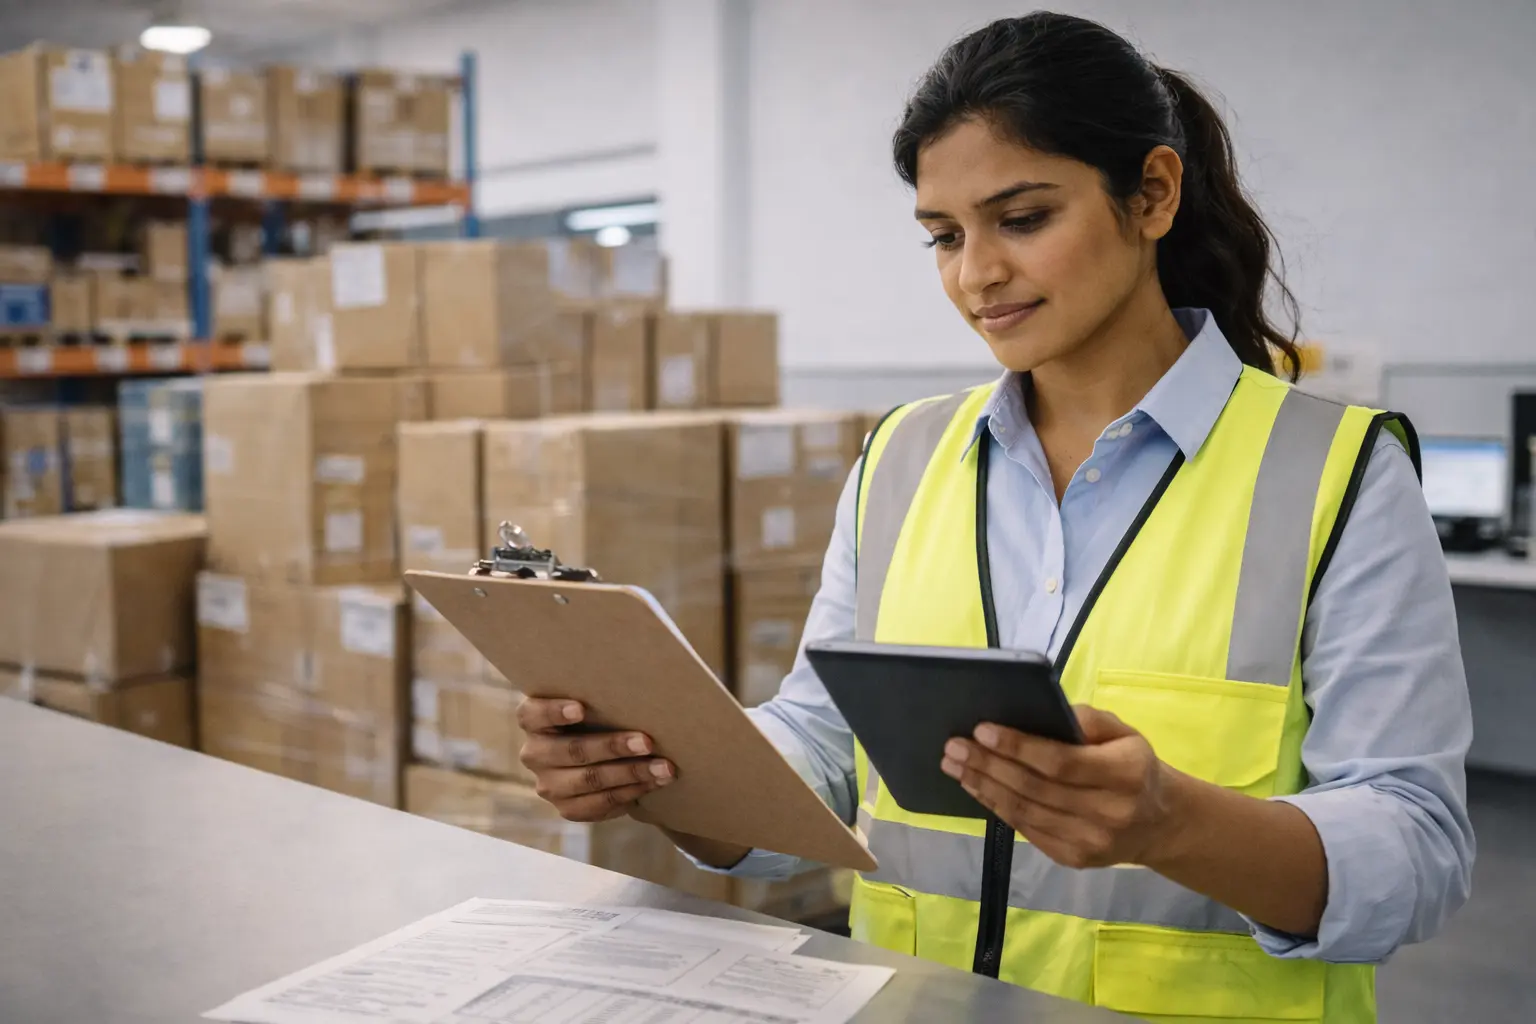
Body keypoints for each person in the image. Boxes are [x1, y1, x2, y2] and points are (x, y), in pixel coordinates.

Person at [515, 11, 1474, 1022]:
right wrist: (660, 774)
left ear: (1153, 193)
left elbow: (1417, 847)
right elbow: (825, 753)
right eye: (944, 236)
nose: (975, 274)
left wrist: (1174, 823)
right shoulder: (901, 457)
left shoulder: (1338, 474)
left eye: (1022, 219)